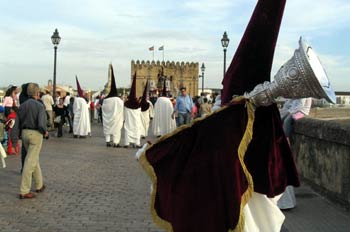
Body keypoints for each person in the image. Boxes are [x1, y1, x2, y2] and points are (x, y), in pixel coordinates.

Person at [11, 83, 48, 199]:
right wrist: (45, 132)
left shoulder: (22, 106)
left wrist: (14, 139)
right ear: (37, 93)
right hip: (36, 134)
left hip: (24, 134)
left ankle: (39, 184)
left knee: (33, 159)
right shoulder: (39, 106)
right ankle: (24, 190)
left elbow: (16, 124)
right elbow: (42, 124)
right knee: (30, 162)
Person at [277, 97, 312, 210]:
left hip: (300, 112)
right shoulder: (294, 95)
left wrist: (288, 112)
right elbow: (289, 105)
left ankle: (286, 137)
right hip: (294, 111)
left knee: (287, 120)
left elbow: (299, 107)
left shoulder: (303, 94)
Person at [102, 64, 124, 147]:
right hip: (116, 118)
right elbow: (122, 107)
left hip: (107, 117)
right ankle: (116, 142)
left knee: (107, 129)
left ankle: (107, 141)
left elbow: (103, 108)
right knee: (116, 130)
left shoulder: (105, 100)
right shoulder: (118, 100)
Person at [123, 73, 142, 148]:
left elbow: (124, 111)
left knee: (128, 129)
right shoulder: (137, 104)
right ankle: (136, 143)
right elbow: (140, 111)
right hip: (136, 121)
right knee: (137, 130)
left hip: (128, 121)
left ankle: (127, 143)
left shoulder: (126, 104)